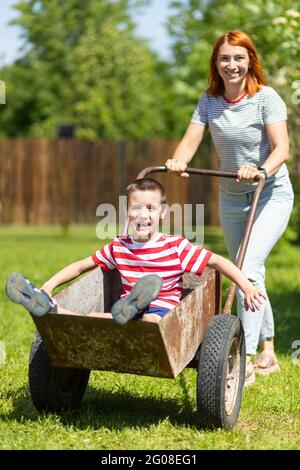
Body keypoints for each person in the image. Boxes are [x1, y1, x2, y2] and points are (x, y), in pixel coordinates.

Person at [165, 31, 294, 384]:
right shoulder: (208, 102)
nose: (232, 65)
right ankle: (270, 349)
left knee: (247, 268)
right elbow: (189, 142)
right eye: (225, 58)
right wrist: (178, 161)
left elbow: (282, 148)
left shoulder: (267, 98)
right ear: (216, 63)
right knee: (250, 270)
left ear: (250, 60)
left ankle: (245, 358)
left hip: (270, 194)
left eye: (239, 58)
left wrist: (261, 170)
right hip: (232, 197)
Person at [7, 178, 265, 332]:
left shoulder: (174, 246)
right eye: (136, 208)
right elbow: (81, 266)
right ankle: (50, 307)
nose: (143, 215)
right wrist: (50, 285)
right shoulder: (119, 247)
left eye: (151, 208)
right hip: (123, 313)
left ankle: (136, 309)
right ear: (127, 212)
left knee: (152, 321)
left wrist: (246, 286)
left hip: (166, 315)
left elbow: (217, 261)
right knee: (93, 320)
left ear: (162, 213)